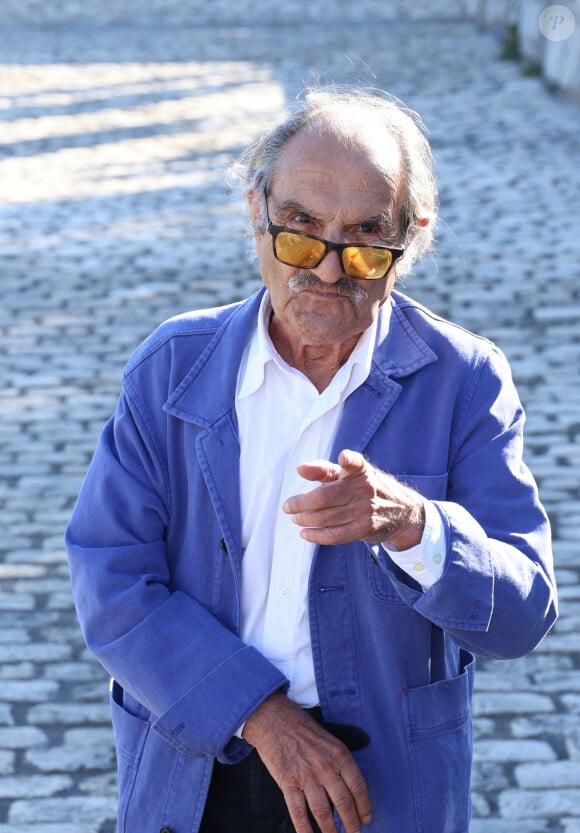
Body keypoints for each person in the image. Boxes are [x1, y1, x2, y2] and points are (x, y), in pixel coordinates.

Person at [65, 86, 557, 833]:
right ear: (255, 209)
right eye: (299, 231)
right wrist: (262, 715)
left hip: (385, 789)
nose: (328, 271)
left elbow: (522, 613)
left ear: (411, 238)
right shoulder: (171, 367)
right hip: (196, 770)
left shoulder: (465, 380)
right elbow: (111, 581)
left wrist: (417, 527)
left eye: (365, 241)